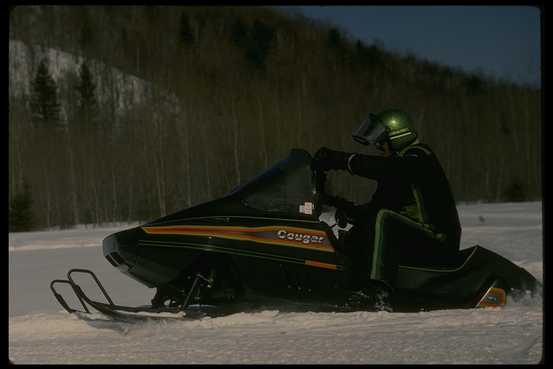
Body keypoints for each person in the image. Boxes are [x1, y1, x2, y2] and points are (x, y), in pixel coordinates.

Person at [311, 109, 461, 308]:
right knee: (365, 227)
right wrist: (339, 204)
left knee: (384, 219)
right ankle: (343, 283)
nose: (379, 146)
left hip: (438, 240)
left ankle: (378, 293)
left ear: (396, 135)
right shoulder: (398, 169)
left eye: (382, 141)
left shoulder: (418, 157)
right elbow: (374, 210)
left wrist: (342, 160)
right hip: (416, 237)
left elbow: (388, 170)